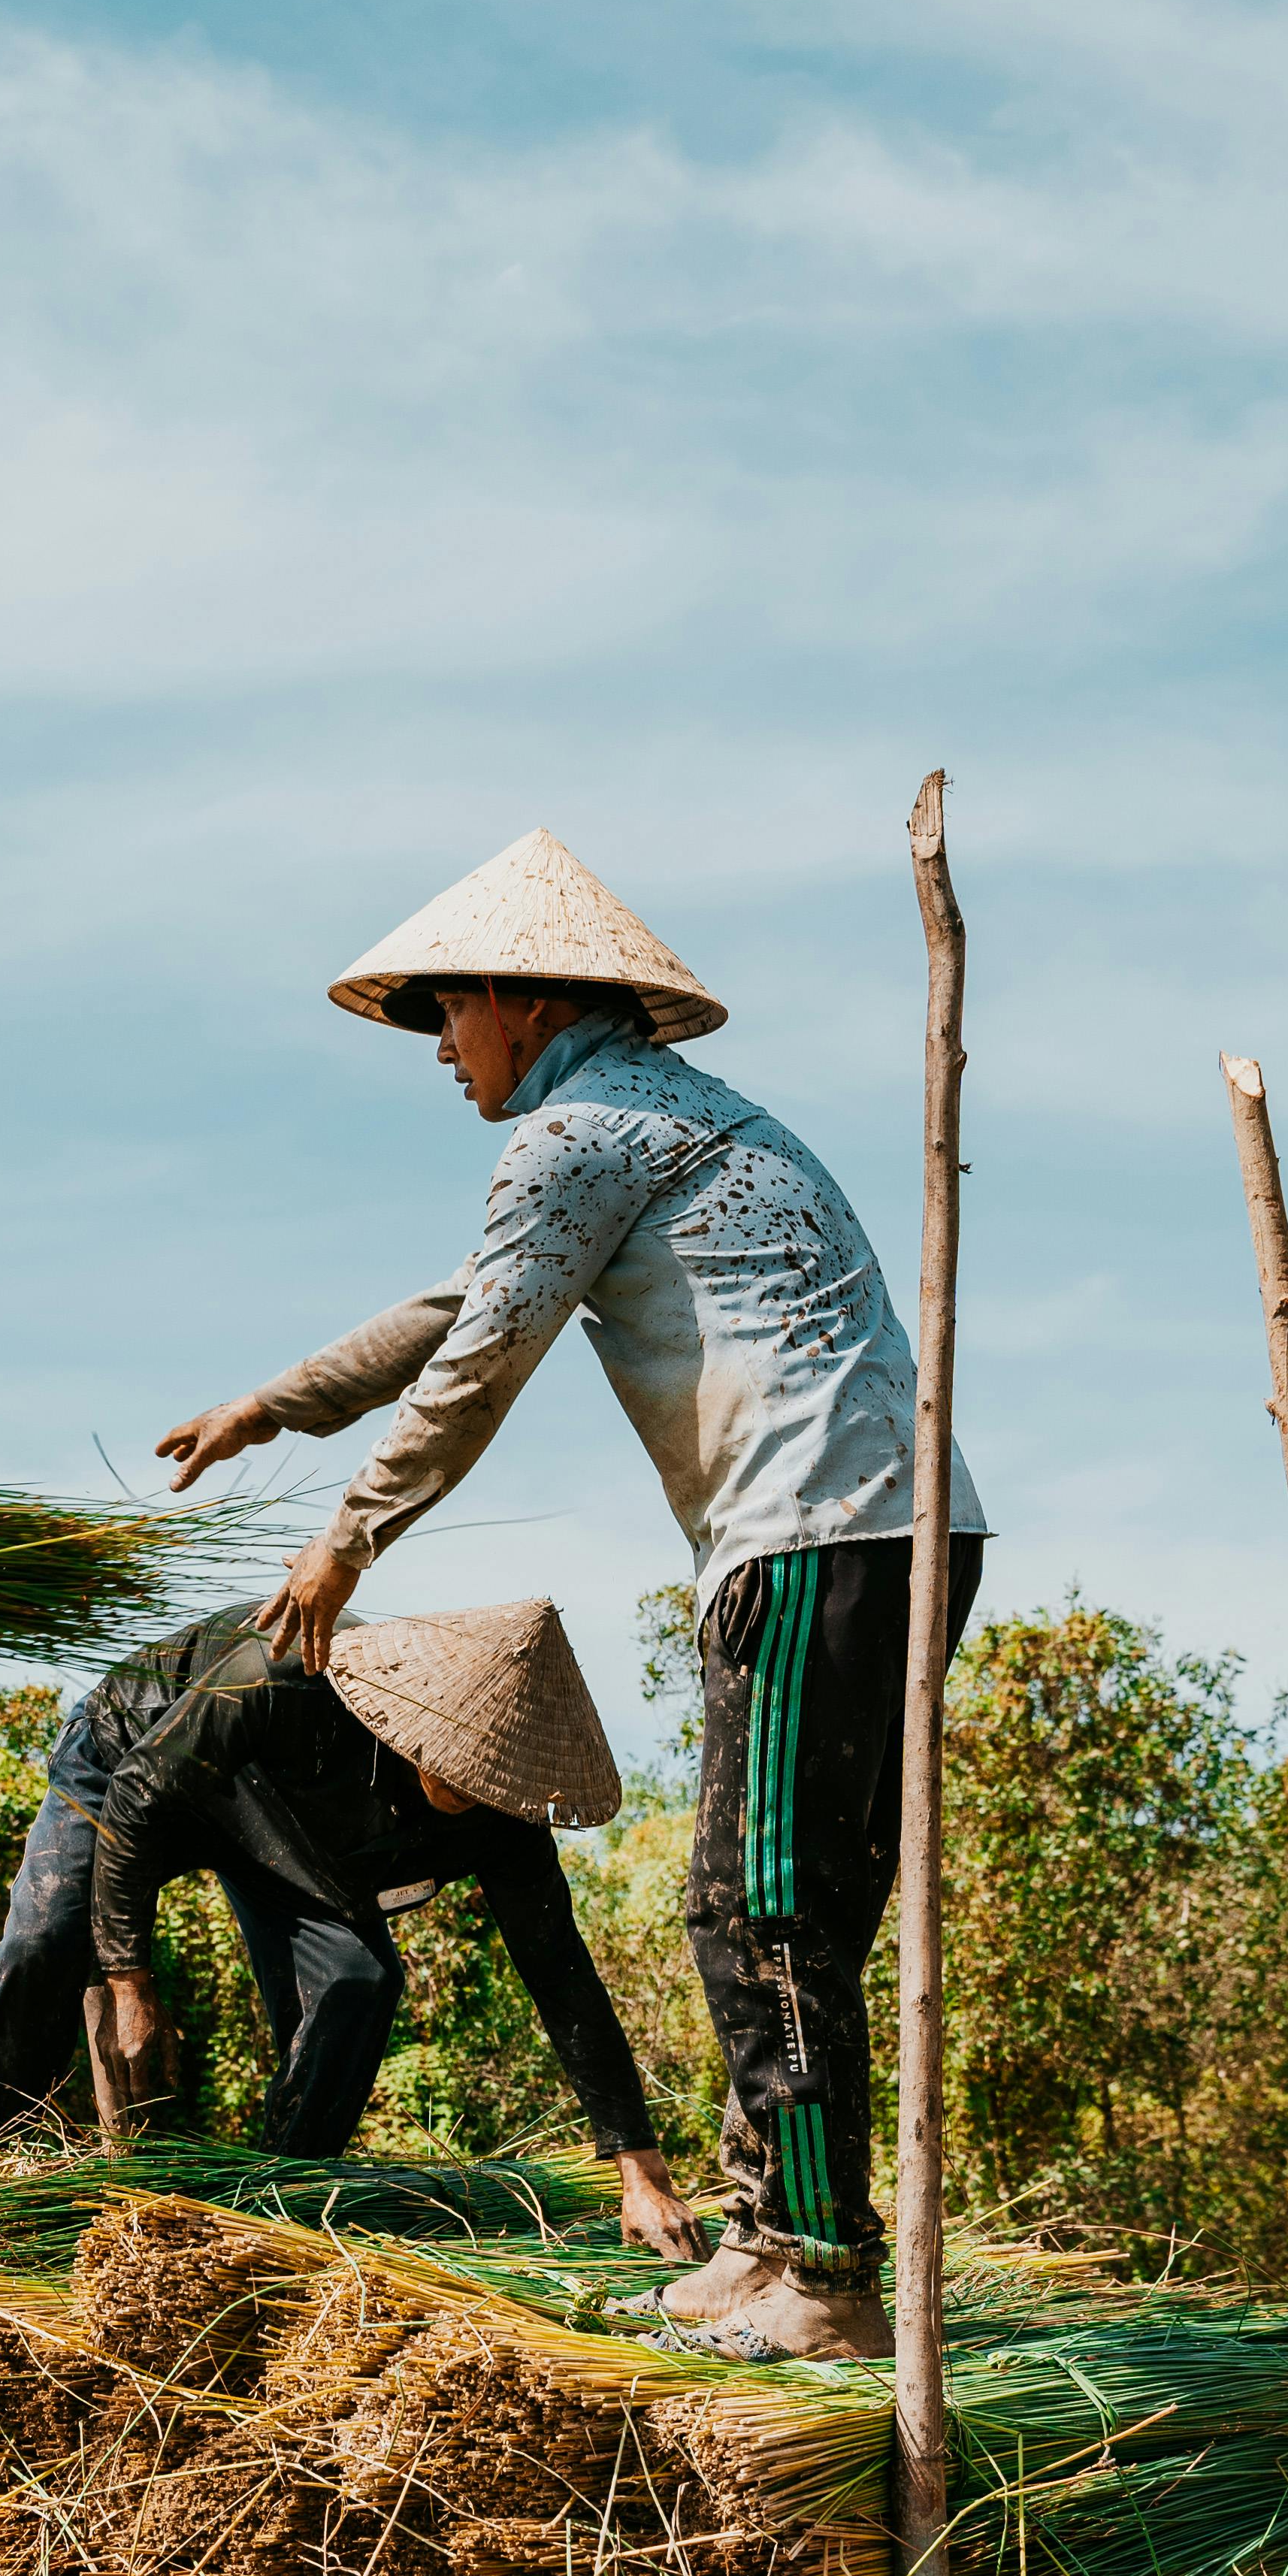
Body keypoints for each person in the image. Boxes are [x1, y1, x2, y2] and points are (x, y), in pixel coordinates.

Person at [157, 827, 987, 2362]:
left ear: (520, 1000)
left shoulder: (577, 1133)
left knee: (769, 1910)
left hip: (824, 1532)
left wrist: (349, 1536)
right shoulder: (637, 1122)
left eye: (443, 1014)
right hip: (858, 1532)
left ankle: (816, 2270)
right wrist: (274, 1405)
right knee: (760, 1901)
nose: (434, 1050)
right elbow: (464, 1303)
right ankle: (765, 2238)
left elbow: (480, 1362)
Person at [0, 1593, 703, 2248]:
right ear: (418, 1723)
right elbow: (140, 1796)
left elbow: (561, 1973)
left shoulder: (504, 1814)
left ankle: (269, 2205)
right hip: (141, 1752)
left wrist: (640, 2166)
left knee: (357, 1981)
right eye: (460, 1765)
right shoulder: (283, 1675)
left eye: (491, 1781)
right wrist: (130, 1984)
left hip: (288, 1828)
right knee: (47, 1939)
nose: (474, 1789)